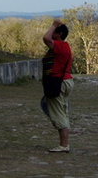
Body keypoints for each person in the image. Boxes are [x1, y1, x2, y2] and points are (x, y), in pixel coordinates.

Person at [41, 19, 74, 153]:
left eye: (54, 32)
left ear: (59, 34)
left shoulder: (59, 46)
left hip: (57, 82)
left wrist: (54, 25)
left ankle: (64, 145)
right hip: (64, 80)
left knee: (58, 113)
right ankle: (64, 143)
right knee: (62, 111)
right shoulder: (65, 46)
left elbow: (46, 38)